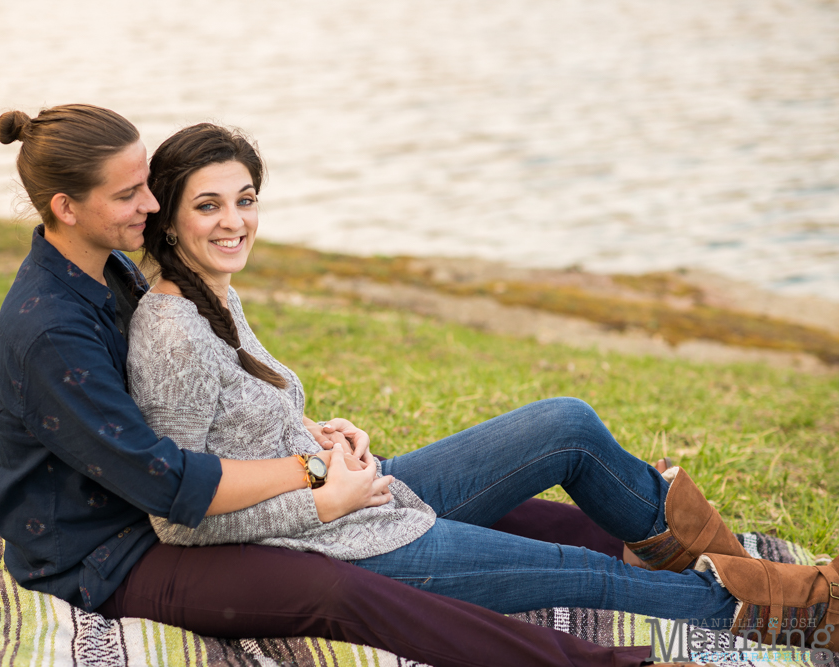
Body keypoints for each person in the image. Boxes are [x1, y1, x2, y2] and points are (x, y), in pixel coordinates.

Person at [127, 122, 839, 655]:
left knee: (567, 423)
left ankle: (736, 569)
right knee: (581, 571)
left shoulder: (211, 292)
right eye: (209, 205)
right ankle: (799, 606)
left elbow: (236, 424)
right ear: (170, 215)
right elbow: (180, 518)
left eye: (245, 199)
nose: (235, 222)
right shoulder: (173, 332)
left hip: (359, 498)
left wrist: (313, 432)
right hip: (339, 543)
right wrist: (320, 495)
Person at [0, 103, 656, 667]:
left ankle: (638, 537)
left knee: (395, 489)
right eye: (130, 192)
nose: (153, 202)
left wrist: (311, 441)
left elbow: (192, 407)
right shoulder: (51, 330)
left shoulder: (108, 270)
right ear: (65, 207)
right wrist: (310, 473)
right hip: (105, 552)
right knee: (336, 588)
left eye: (148, 184)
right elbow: (167, 484)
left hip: (159, 506)